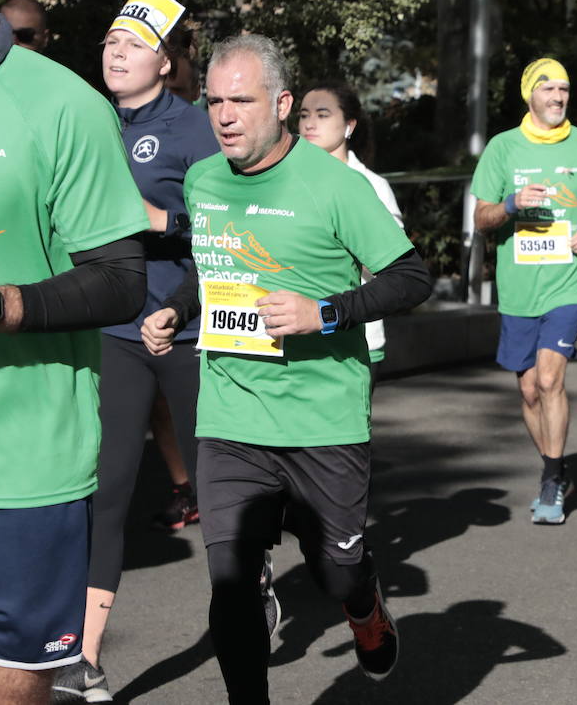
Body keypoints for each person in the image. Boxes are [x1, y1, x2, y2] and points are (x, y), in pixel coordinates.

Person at [140, 34, 431, 702]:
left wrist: (322, 314)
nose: (225, 115)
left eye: (241, 100)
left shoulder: (336, 186)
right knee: (232, 582)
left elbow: (411, 277)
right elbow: (212, 271)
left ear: (283, 102)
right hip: (230, 413)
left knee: (335, 570)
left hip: (321, 415)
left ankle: (364, 606)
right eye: (214, 100)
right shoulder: (205, 178)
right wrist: (177, 312)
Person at [0, 0, 149, 705]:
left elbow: (123, 280)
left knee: (11, 677)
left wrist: (4, 306)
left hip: (19, 460)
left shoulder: (62, 105)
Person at [50, 0, 219, 703]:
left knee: (219, 483)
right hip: (115, 331)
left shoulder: (193, 127)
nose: (115, 54)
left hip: (187, 327)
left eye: (131, 45)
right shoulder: (85, 120)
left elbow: (224, 229)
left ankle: (253, 574)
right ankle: (84, 661)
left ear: (165, 60)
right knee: (109, 488)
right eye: (109, 44)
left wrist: (157, 216)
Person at [470, 57, 577, 524]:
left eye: (564, 89)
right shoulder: (503, 147)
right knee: (531, 389)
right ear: (529, 94)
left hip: (570, 280)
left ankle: (552, 480)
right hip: (518, 287)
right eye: (548, 89)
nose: (558, 97)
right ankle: (556, 465)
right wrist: (512, 205)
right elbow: (481, 218)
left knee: (551, 378)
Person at [298, 81, 406, 382]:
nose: (309, 123)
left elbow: (390, 269)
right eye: (304, 114)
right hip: (291, 340)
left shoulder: (372, 186)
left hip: (354, 340)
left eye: (322, 115)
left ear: (349, 125)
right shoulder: (285, 180)